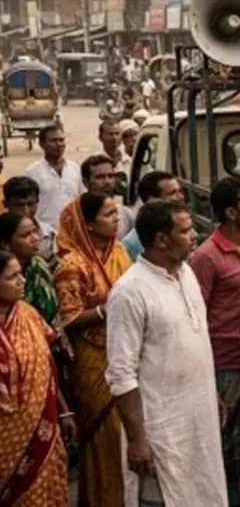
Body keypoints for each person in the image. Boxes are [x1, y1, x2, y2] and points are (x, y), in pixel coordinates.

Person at [106, 201, 225, 506]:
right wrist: (137, 439)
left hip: (199, 419)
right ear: (161, 240)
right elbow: (121, 374)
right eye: (185, 231)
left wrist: (213, 394)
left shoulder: (186, 274)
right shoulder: (129, 292)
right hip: (161, 429)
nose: (195, 235)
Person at [188, 178, 240, 506]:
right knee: (228, 451)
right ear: (229, 212)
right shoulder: (206, 257)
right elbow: (196, 318)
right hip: (226, 369)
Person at [55, 192, 131, 507]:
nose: (117, 219)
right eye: (108, 214)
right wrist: (106, 310)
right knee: (105, 437)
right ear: (87, 223)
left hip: (123, 350)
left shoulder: (120, 252)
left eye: (116, 213)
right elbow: (68, 318)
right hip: (92, 359)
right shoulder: (72, 264)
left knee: (127, 436)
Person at [0, 249, 73, 506]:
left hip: (43, 426)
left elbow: (48, 365)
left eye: (20, 274)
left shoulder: (29, 315)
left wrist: (63, 411)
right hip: (5, 440)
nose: (21, 281)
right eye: (12, 277)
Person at [57, 155, 135, 259]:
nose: (107, 182)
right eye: (100, 177)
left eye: (110, 176)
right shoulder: (72, 214)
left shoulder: (126, 214)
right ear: (85, 182)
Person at [24, 125, 84, 246]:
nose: (59, 144)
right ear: (42, 144)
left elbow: (81, 199)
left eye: (61, 140)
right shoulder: (32, 172)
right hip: (46, 236)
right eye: (53, 141)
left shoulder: (75, 168)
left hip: (73, 234)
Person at [0, 212, 58, 328]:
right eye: (26, 235)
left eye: (35, 232)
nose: (36, 239)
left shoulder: (38, 265)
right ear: (5, 244)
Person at [122, 171, 185, 261]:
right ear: (152, 200)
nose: (180, 197)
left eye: (180, 191)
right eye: (172, 193)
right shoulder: (132, 244)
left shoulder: (183, 231)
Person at [3, 176, 55, 261]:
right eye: (19, 205)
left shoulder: (49, 233)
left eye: (30, 204)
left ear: (38, 201)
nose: (25, 211)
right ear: (6, 204)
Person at [98, 120, 130, 196]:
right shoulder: (94, 162)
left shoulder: (130, 160)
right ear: (100, 137)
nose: (114, 138)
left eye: (117, 134)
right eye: (110, 134)